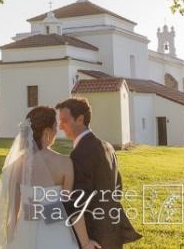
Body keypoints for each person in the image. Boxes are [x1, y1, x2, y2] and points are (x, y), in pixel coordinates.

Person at [0, 106, 101, 249]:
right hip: (56, 235)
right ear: (47, 132)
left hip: (25, 233)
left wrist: (12, 243)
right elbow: (72, 209)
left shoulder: (16, 166)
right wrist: (85, 243)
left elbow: (12, 215)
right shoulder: (65, 163)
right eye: (55, 127)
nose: (56, 131)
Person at [56, 97, 142, 249]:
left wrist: (85, 242)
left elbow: (77, 202)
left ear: (80, 119)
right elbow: (117, 187)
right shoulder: (107, 146)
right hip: (112, 231)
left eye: (64, 120)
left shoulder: (80, 153)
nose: (60, 126)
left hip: (94, 236)